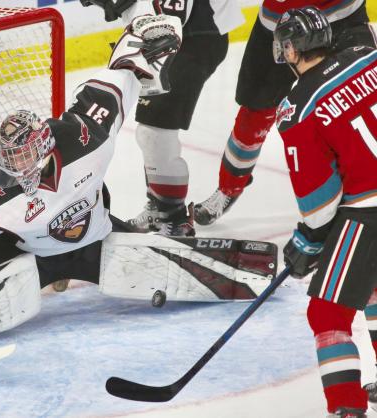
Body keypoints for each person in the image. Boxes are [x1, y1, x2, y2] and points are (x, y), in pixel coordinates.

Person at [0, 14, 277, 360]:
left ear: (46, 146)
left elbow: (121, 75)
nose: (15, 166)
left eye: (22, 157)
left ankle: (241, 271)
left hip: (95, 236)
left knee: (156, 262)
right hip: (31, 254)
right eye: (9, 158)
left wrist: (142, 34)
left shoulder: (87, 131)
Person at [274, 7, 377, 417]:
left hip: (368, 212)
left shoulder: (297, 108)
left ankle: (347, 407)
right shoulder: (367, 56)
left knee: (327, 315)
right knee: (372, 288)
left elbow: (319, 207)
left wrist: (307, 241)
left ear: (294, 49)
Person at [194, 0, 376, 226]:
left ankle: (363, 196)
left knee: (364, 96)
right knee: (254, 113)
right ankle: (228, 188)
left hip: (342, 17)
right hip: (279, 27)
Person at [82, 0, 245, 236]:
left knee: (154, 132)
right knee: (150, 131)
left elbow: (172, 12)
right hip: (168, 33)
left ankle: (174, 217)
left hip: (194, 36)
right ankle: (161, 208)